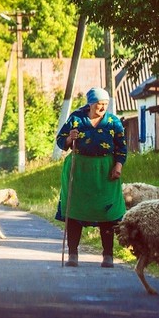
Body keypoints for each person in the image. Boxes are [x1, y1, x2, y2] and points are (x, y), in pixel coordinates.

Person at [55, 87, 127, 268]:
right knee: (75, 212)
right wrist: (70, 138)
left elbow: (121, 147)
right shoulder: (76, 119)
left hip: (105, 170)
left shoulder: (113, 121)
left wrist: (118, 166)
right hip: (79, 170)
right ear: (90, 104)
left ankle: (108, 255)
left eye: (105, 104)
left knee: (107, 213)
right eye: (99, 105)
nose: (103, 108)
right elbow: (60, 141)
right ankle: (73, 253)